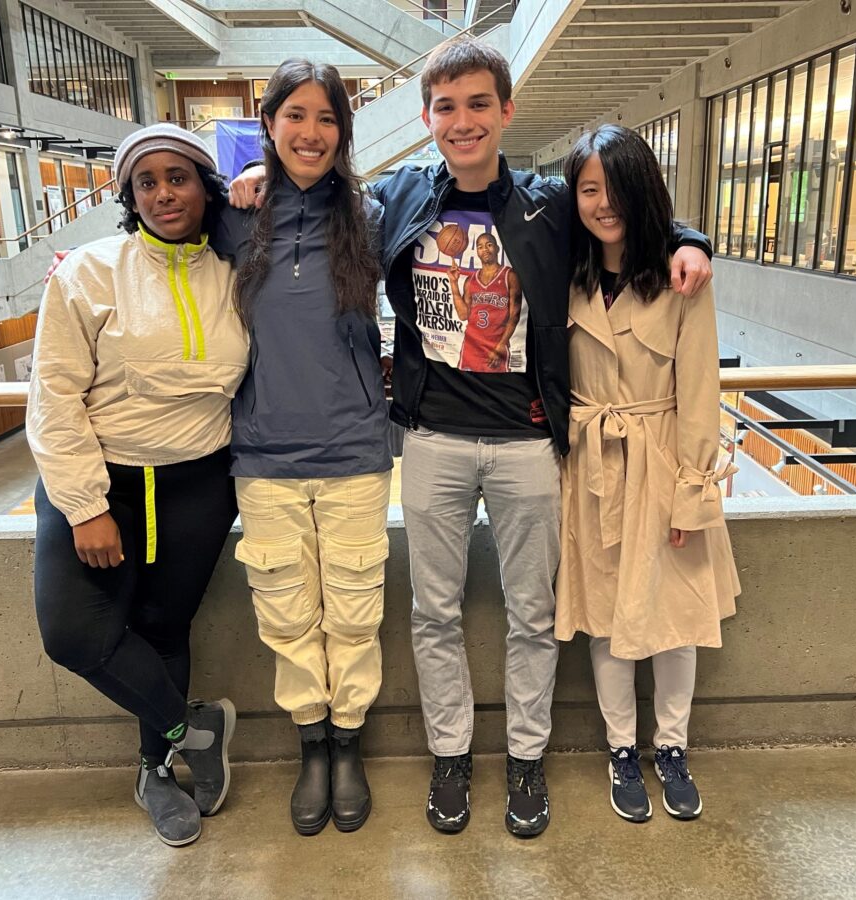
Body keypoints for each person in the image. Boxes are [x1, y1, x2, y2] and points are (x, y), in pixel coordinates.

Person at [231, 36, 714, 838]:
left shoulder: (547, 203)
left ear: (505, 112)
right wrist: (254, 177)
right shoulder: (396, 199)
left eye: (478, 105)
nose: (462, 122)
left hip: (528, 443)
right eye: (446, 107)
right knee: (434, 612)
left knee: (532, 614)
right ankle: (449, 756)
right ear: (426, 118)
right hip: (429, 440)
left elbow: (622, 207)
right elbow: (312, 196)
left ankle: (525, 760)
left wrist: (692, 239)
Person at [28, 123, 248, 847]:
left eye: (177, 177)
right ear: (127, 196)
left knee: (164, 628)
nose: (162, 193)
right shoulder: (87, 271)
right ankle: (195, 730)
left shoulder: (233, 271)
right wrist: (86, 506)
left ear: (205, 187)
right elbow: (53, 396)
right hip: (103, 484)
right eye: (145, 182)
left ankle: (155, 770)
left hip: (197, 483)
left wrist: (263, 187)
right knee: (75, 635)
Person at [211, 59, 390, 836]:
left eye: (326, 118)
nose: (310, 133)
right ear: (270, 124)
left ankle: (347, 743)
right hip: (263, 455)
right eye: (295, 117)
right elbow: (145, 216)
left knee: (354, 611)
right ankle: (310, 744)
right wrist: (243, 177)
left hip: (353, 451)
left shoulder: (372, 213)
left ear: (343, 132)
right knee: (285, 615)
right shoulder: (232, 217)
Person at [555, 125, 740, 824]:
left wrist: (693, 490)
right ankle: (621, 749)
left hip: (662, 460)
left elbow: (699, 389)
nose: (603, 204)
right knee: (605, 617)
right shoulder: (564, 268)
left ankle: (672, 746)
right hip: (589, 464)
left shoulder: (680, 275)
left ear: (643, 190)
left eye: (616, 188)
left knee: (674, 618)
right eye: (589, 188)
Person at [446, 231, 522, 372]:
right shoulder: (470, 281)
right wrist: (454, 283)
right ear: (477, 252)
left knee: (498, 387)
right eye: (480, 247)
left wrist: (501, 346)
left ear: (497, 248)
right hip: (471, 349)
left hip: (496, 348)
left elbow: (514, 316)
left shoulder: (510, 276)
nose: (485, 249)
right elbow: (463, 315)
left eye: (489, 245)